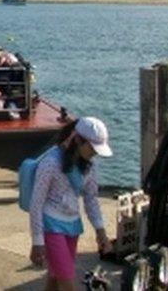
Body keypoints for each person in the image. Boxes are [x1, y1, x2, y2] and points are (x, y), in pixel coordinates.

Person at [29, 118, 112, 290]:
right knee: (66, 279)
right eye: (92, 148)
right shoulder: (50, 163)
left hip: (73, 225)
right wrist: (37, 241)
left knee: (54, 277)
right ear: (78, 139)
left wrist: (100, 231)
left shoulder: (89, 166)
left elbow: (91, 199)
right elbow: (36, 203)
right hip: (51, 226)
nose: (94, 154)